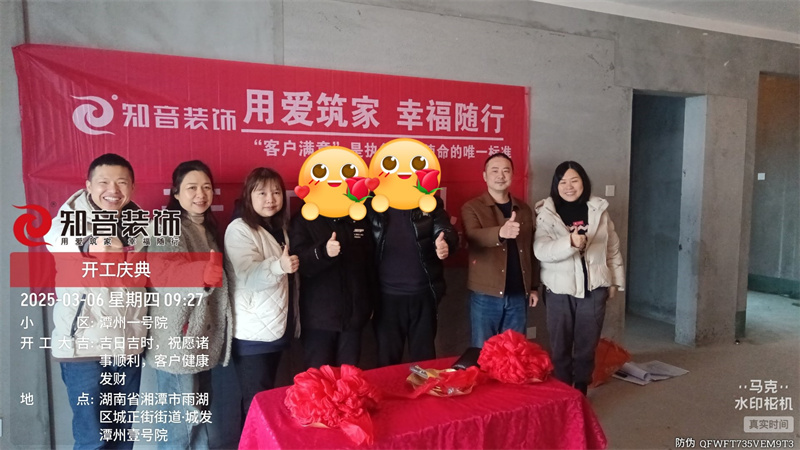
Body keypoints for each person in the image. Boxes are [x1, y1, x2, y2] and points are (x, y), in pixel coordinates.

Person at [43, 153, 147, 450]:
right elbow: (60, 239)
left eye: (121, 182)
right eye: (103, 182)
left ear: (132, 187)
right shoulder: (68, 218)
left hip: (127, 347)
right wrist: (92, 244)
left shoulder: (141, 224)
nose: (113, 190)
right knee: (93, 439)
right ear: (88, 186)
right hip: (84, 349)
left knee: (122, 435)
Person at [146, 160, 232, 449]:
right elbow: (164, 272)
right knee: (179, 426)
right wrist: (201, 273)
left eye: (206, 187)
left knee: (197, 416)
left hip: (198, 339)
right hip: (178, 341)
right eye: (192, 187)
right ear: (176, 192)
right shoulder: (167, 225)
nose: (201, 194)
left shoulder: (206, 227)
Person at [533, 161, 625, 395]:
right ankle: (564, 389)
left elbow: (612, 248)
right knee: (560, 344)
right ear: (556, 185)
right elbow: (541, 250)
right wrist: (570, 243)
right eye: (563, 182)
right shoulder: (547, 213)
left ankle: (581, 386)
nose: (569, 186)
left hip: (594, 288)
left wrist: (615, 281)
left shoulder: (598, 210)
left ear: (584, 182)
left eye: (574, 180)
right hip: (558, 290)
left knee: (587, 343)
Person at [224, 167, 299, 424]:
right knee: (255, 403)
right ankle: (249, 441)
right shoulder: (239, 229)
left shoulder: (278, 227)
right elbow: (248, 276)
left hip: (277, 329)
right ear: (248, 195)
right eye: (262, 193)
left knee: (270, 403)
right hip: (252, 336)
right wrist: (279, 266)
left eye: (276, 192)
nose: (271, 199)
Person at [367, 197, 459, 367]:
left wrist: (445, 243)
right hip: (386, 298)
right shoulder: (373, 203)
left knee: (424, 363)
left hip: (423, 295)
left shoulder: (429, 201)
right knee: (386, 362)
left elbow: (445, 229)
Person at [462, 153, 539, 348]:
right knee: (483, 350)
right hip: (486, 293)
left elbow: (531, 249)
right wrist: (501, 233)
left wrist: (533, 286)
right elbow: (473, 236)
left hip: (518, 294)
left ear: (512, 175)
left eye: (506, 171)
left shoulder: (524, 209)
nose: (500, 176)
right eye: (494, 171)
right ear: (485, 176)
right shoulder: (472, 207)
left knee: (514, 351)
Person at [290, 200, 375, 370]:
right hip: (318, 321)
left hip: (353, 317)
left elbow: (370, 264)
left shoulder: (358, 216)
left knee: (349, 378)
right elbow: (300, 263)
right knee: (319, 379)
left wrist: (369, 304)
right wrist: (323, 252)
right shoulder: (304, 218)